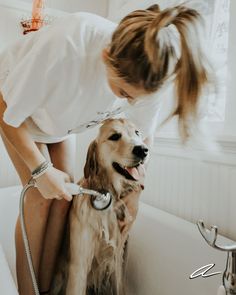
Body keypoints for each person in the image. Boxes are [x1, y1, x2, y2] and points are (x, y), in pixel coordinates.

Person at [0, 4, 211, 295]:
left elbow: (144, 137)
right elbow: (6, 111)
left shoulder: (149, 75)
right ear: (106, 58)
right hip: (15, 108)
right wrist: (41, 168)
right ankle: (27, 291)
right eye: (125, 94)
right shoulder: (68, 45)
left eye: (137, 99)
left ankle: (46, 289)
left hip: (61, 120)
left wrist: (135, 194)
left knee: (64, 199)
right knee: (39, 197)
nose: (131, 103)